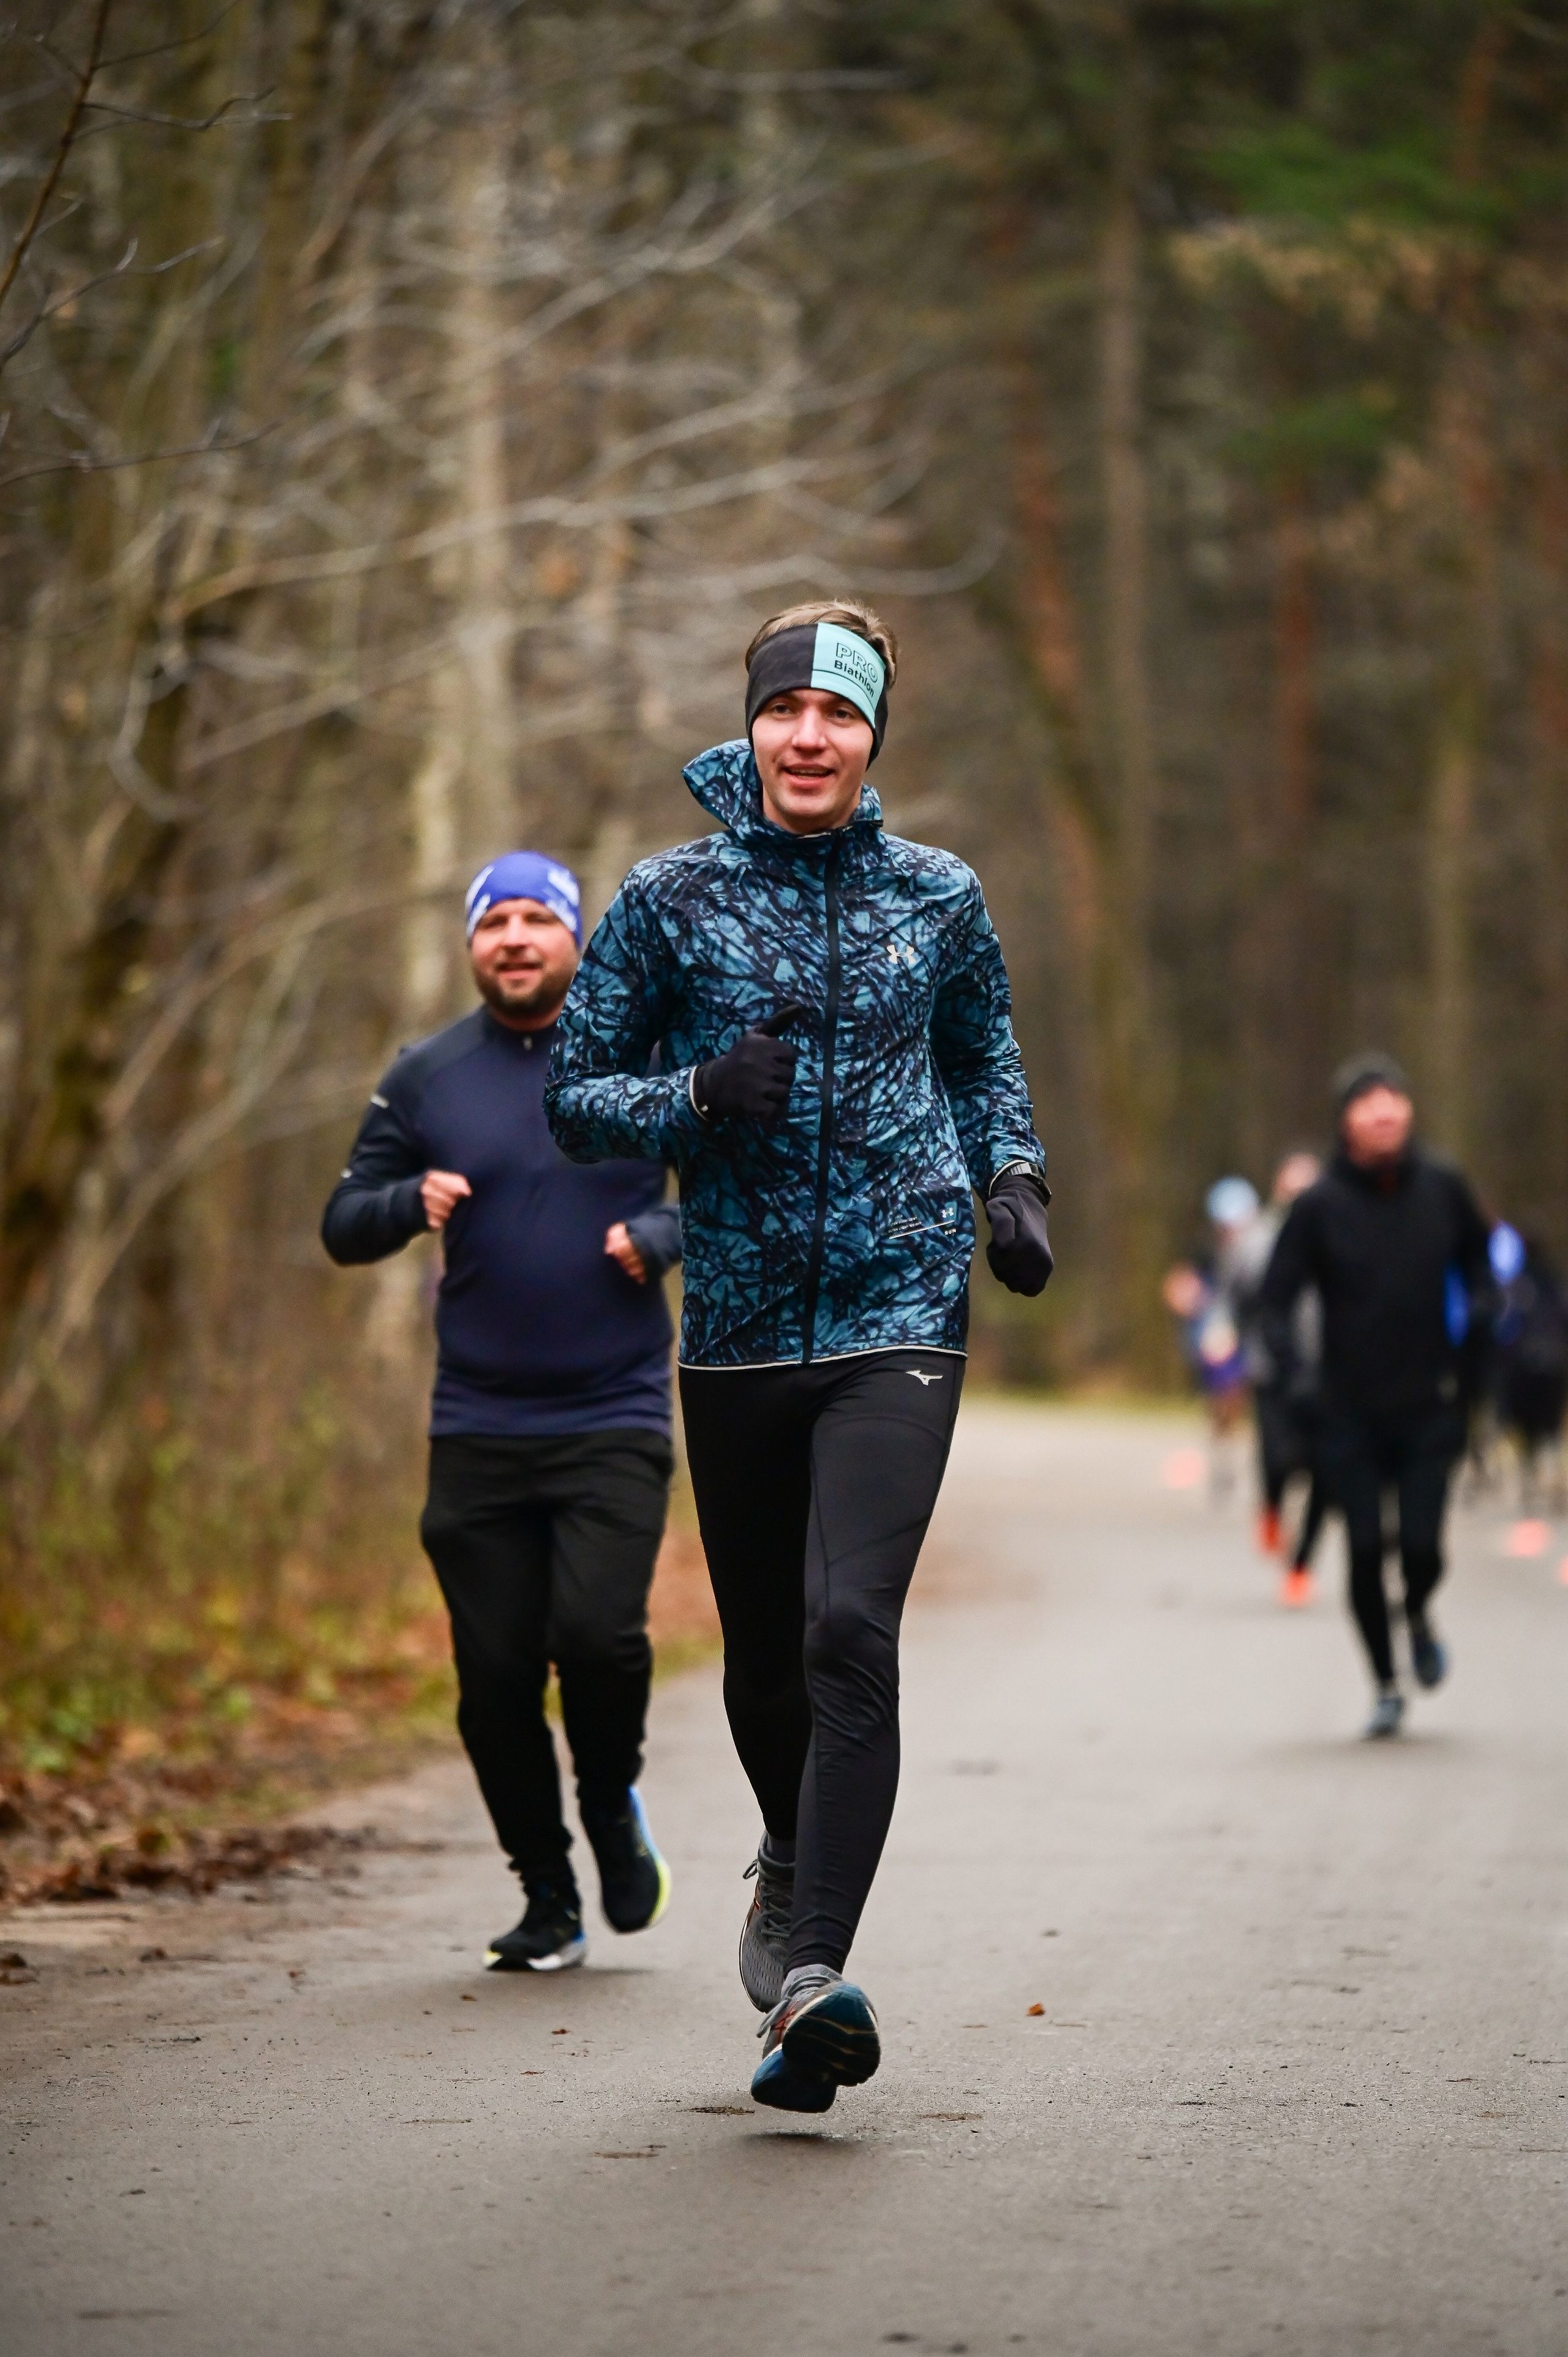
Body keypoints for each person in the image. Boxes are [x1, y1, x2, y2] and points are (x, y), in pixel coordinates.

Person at [545, 599, 1050, 2111]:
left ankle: (811, 1976)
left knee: (848, 1630)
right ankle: (784, 1855)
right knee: (766, 1655)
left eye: (839, 713)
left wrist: (1011, 1177)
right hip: (746, 1322)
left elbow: (982, 1055)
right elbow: (576, 1095)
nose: (811, 736)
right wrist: (697, 1091)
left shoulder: (937, 895)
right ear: (753, 726)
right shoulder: (666, 898)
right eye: (788, 712)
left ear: (871, 734)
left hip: (903, 1302)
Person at [320, 853, 682, 1971]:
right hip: (477, 1418)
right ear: (473, 942)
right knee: (491, 1686)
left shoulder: (644, 1054)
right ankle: (548, 1894)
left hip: (614, 1406)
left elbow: (739, 1199)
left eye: (540, 919)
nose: (517, 938)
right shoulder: (427, 1074)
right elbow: (343, 1221)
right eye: (497, 921)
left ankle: (612, 1796)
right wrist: (406, 1200)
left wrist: (663, 1236)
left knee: (599, 1636)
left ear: (575, 937)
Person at [1261, 1052, 1492, 1738]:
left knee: (1421, 1548)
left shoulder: (1444, 1185)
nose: (1384, 1108)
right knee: (1363, 1548)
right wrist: (1299, 1378)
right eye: (1367, 1100)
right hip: (1346, 1412)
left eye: (1394, 1095)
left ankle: (1417, 1608)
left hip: (1429, 1404)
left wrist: (1478, 1320)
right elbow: (1275, 1303)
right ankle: (1387, 1683)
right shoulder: (1320, 1204)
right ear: (1345, 1121)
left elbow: (1483, 1266)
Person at [1235, 1150, 1327, 1606]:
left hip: (1328, 1371)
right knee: (1278, 1460)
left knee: (1324, 1474)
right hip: (1271, 1370)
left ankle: (1300, 1567)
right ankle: (1271, 1508)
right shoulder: (1255, 1241)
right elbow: (1237, 1296)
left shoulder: (1339, 1237)